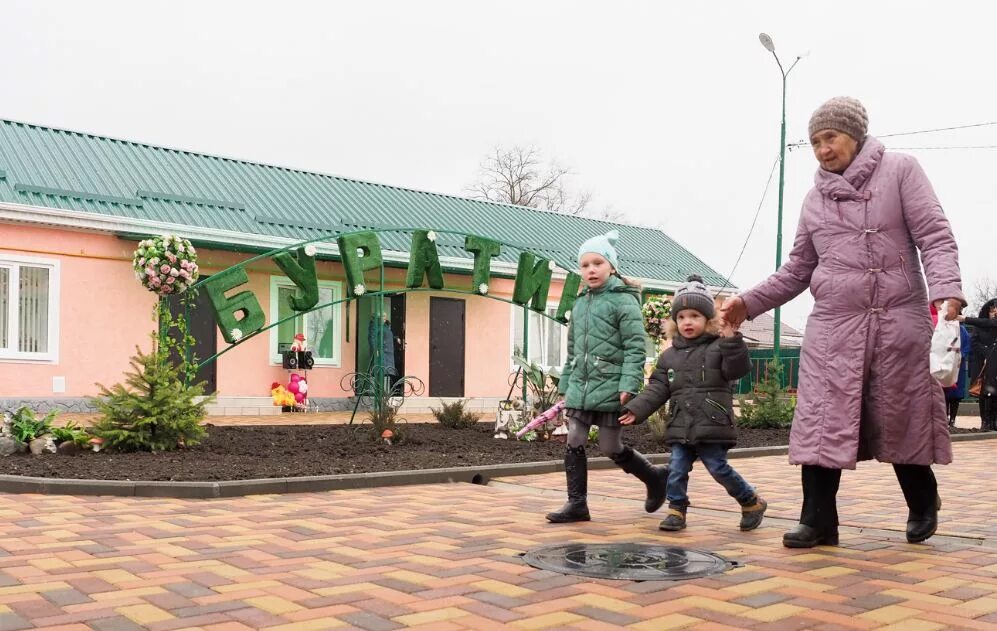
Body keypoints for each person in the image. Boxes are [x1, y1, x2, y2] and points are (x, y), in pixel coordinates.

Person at [720, 97, 964, 547]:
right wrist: (748, 303)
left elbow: (934, 235)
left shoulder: (901, 170)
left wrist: (946, 290)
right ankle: (817, 521)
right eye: (814, 142)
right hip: (833, 326)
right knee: (820, 420)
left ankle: (923, 500)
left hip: (898, 320)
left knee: (900, 415)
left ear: (854, 134)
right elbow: (796, 270)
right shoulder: (814, 200)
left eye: (829, 137)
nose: (822, 149)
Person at [620, 275, 766, 532]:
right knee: (676, 468)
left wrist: (732, 340)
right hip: (681, 423)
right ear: (675, 322)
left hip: (712, 422)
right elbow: (658, 387)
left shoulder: (720, 347)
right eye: (682, 316)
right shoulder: (669, 356)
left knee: (718, 468)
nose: (688, 321)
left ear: (708, 320)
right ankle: (677, 510)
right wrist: (637, 408)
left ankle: (750, 500)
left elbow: (737, 370)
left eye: (695, 316)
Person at [547, 230, 668, 523]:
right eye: (585, 264)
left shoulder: (623, 301)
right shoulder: (580, 303)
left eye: (597, 263)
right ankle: (577, 504)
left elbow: (635, 347)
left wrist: (629, 383)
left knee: (609, 446)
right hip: (581, 384)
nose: (590, 269)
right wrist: (565, 384)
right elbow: (573, 349)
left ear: (612, 266)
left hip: (612, 384)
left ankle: (654, 478)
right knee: (574, 437)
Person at [959, 299, 997, 431]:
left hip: (994, 364)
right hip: (982, 364)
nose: (993, 312)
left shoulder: (993, 325)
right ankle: (985, 421)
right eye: (991, 310)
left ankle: (993, 421)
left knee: (993, 393)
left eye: (995, 310)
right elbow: (974, 343)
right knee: (983, 394)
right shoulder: (979, 327)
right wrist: (986, 352)